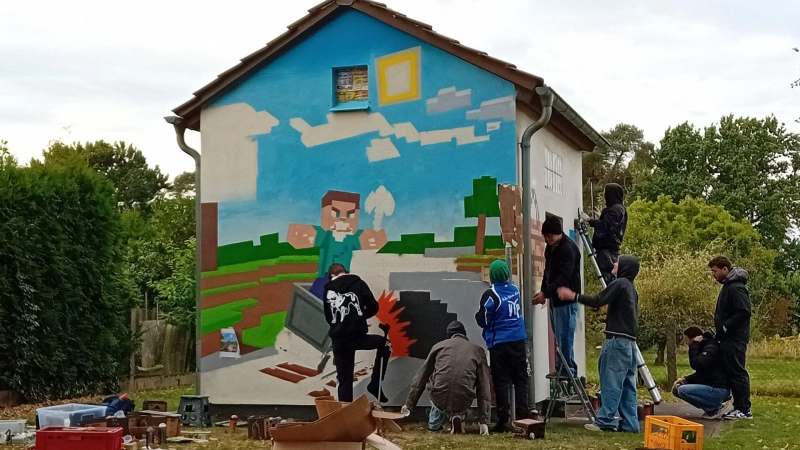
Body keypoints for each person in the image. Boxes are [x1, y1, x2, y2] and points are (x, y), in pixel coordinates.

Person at [558, 256, 640, 433]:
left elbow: (597, 300)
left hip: (616, 341)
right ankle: (630, 424)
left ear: (625, 267)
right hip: (630, 343)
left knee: (611, 382)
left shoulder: (620, 284)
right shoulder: (632, 289)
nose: (614, 264)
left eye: (618, 262)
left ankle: (605, 421)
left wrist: (573, 295)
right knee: (627, 385)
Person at [402, 321, 491, 436]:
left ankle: (435, 424)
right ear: (464, 334)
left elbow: (420, 378)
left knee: (436, 383)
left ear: (449, 335)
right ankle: (458, 416)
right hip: (463, 398)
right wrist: (484, 421)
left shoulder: (438, 347)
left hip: (439, 397)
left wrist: (409, 405)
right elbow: (484, 386)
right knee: (465, 384)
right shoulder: (478, 351)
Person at [323, 263, 391, 403]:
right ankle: (375, 383)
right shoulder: (358, 283)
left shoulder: (328, 290)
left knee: (344, 379)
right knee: (385, 345)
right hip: (357, 337)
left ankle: (345, 413)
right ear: (345, 272)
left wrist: (342, 324)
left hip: (339, 340)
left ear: (331, 275)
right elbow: (373, 306)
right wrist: (359, 318)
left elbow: (329, 317)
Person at [475, 260, 528, 433]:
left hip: (499, 342)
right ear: (506, 274)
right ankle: (523, 418)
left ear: (492, 275)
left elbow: (485, 319)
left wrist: (479, 317)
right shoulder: (515, 290)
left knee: (501, 381)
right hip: (518, 339)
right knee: (520, 379)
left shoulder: (491, 294)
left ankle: (503, 420)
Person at [533, 216, 582, 378]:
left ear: (555, 234)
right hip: (555, 299)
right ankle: (563, 367)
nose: (546, 240)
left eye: (548, 236)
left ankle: (568, 370)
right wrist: (543, 291)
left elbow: (563, 278)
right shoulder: (551, 247)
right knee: (559, 336)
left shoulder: (568, 249)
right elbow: (548, 272)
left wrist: (545, 293)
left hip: (566, 300)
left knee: (565, 335)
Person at [709, 256, 752, 420]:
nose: (713, 274)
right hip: (727, 338)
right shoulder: (729, 286)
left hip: (734, 338)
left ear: (725, 269)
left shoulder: (735, 288)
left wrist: (726, 326)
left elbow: (744, 312)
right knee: (731, 372)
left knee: (737, 372)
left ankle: (744, 408)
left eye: (715, 271)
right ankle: (738, 406)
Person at [672, 326, 732, 419]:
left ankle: (715, 409)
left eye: (686, 339)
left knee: (682, 390)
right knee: (676, 390)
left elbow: (697, 365)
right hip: (712, 385)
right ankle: (712, 407)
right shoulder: (705, 347)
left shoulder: (710, 348)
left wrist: (694, 345)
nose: (686, 343)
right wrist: (686, 379)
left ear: (694, 338)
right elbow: (702, 373)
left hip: (719, 389)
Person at [583, 183, 627, 284]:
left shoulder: (617, 209)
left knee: (608, 276)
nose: (604, 197)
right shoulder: (617, 209)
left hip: (607, 249)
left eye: (605, 194)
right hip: (609, 248)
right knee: (609, 275)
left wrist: (590, 221)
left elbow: (606, 225)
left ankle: (611, 297)